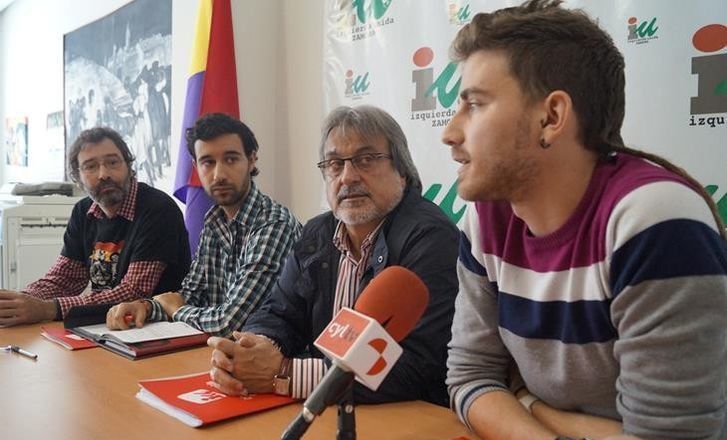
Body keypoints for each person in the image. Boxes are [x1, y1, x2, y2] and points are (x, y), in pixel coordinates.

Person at [442, 0, 727, 440]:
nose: (450, 133)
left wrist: (525, 403)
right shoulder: (486, 221)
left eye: (474, 103)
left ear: (551, 117)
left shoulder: (653, 220)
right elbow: (469, 381)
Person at [207, 105, 458, 405]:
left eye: (366, 160)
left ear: (402, 172)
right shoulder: (318, 233)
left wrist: (284, 372)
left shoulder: (429, 237)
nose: (348, 177)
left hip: (403, 416)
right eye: (335, 164)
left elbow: (416, 365)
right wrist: (252, 350)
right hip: (326, 410)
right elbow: (279, 311)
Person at [106, 113, 302, 337]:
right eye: (208, 162)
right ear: (196, 166)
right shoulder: (214, 220)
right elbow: (192, 294)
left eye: (231, 159)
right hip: (216, 353)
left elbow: (229, 323)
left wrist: (177, 310)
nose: (219, 174)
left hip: (266, 362)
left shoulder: (274, 224)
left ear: (252, 159)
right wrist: (146, 307)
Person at [0, 127, 190, 326]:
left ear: (129, 166)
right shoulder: (83, 212)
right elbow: (63, 278)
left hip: (155, 328)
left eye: (113, 162)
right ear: (78, 178)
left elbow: (133, 292)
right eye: (90, 166)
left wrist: (47, 309)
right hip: (105, 326)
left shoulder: (158, 209)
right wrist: (17, 302)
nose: (103, 174)